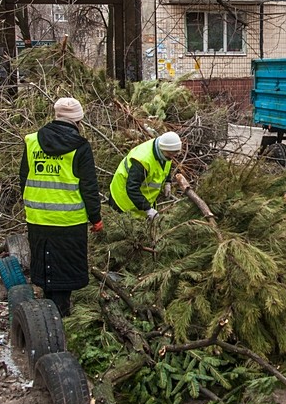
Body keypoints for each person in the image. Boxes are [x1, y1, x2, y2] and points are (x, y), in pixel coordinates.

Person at [20, 97, 102, 316]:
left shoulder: (33, 141)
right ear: (78, 121)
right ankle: (61, 316)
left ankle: (48, 311)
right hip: (69, 221)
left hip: (37, 218)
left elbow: (23, 178)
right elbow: (89, 187)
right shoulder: (80, 147)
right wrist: (96, 218)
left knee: (45, 263)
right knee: (65, 270)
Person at [108, 132, 182, 220]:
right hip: (123, 200)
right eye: (170, 154)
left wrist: (167, 182)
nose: (172, 157)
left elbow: (166, 165)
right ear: (163, 149)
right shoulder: (143, 161)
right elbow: (132, 188)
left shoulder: (165, 152)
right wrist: (147, 209)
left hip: (141, 198)